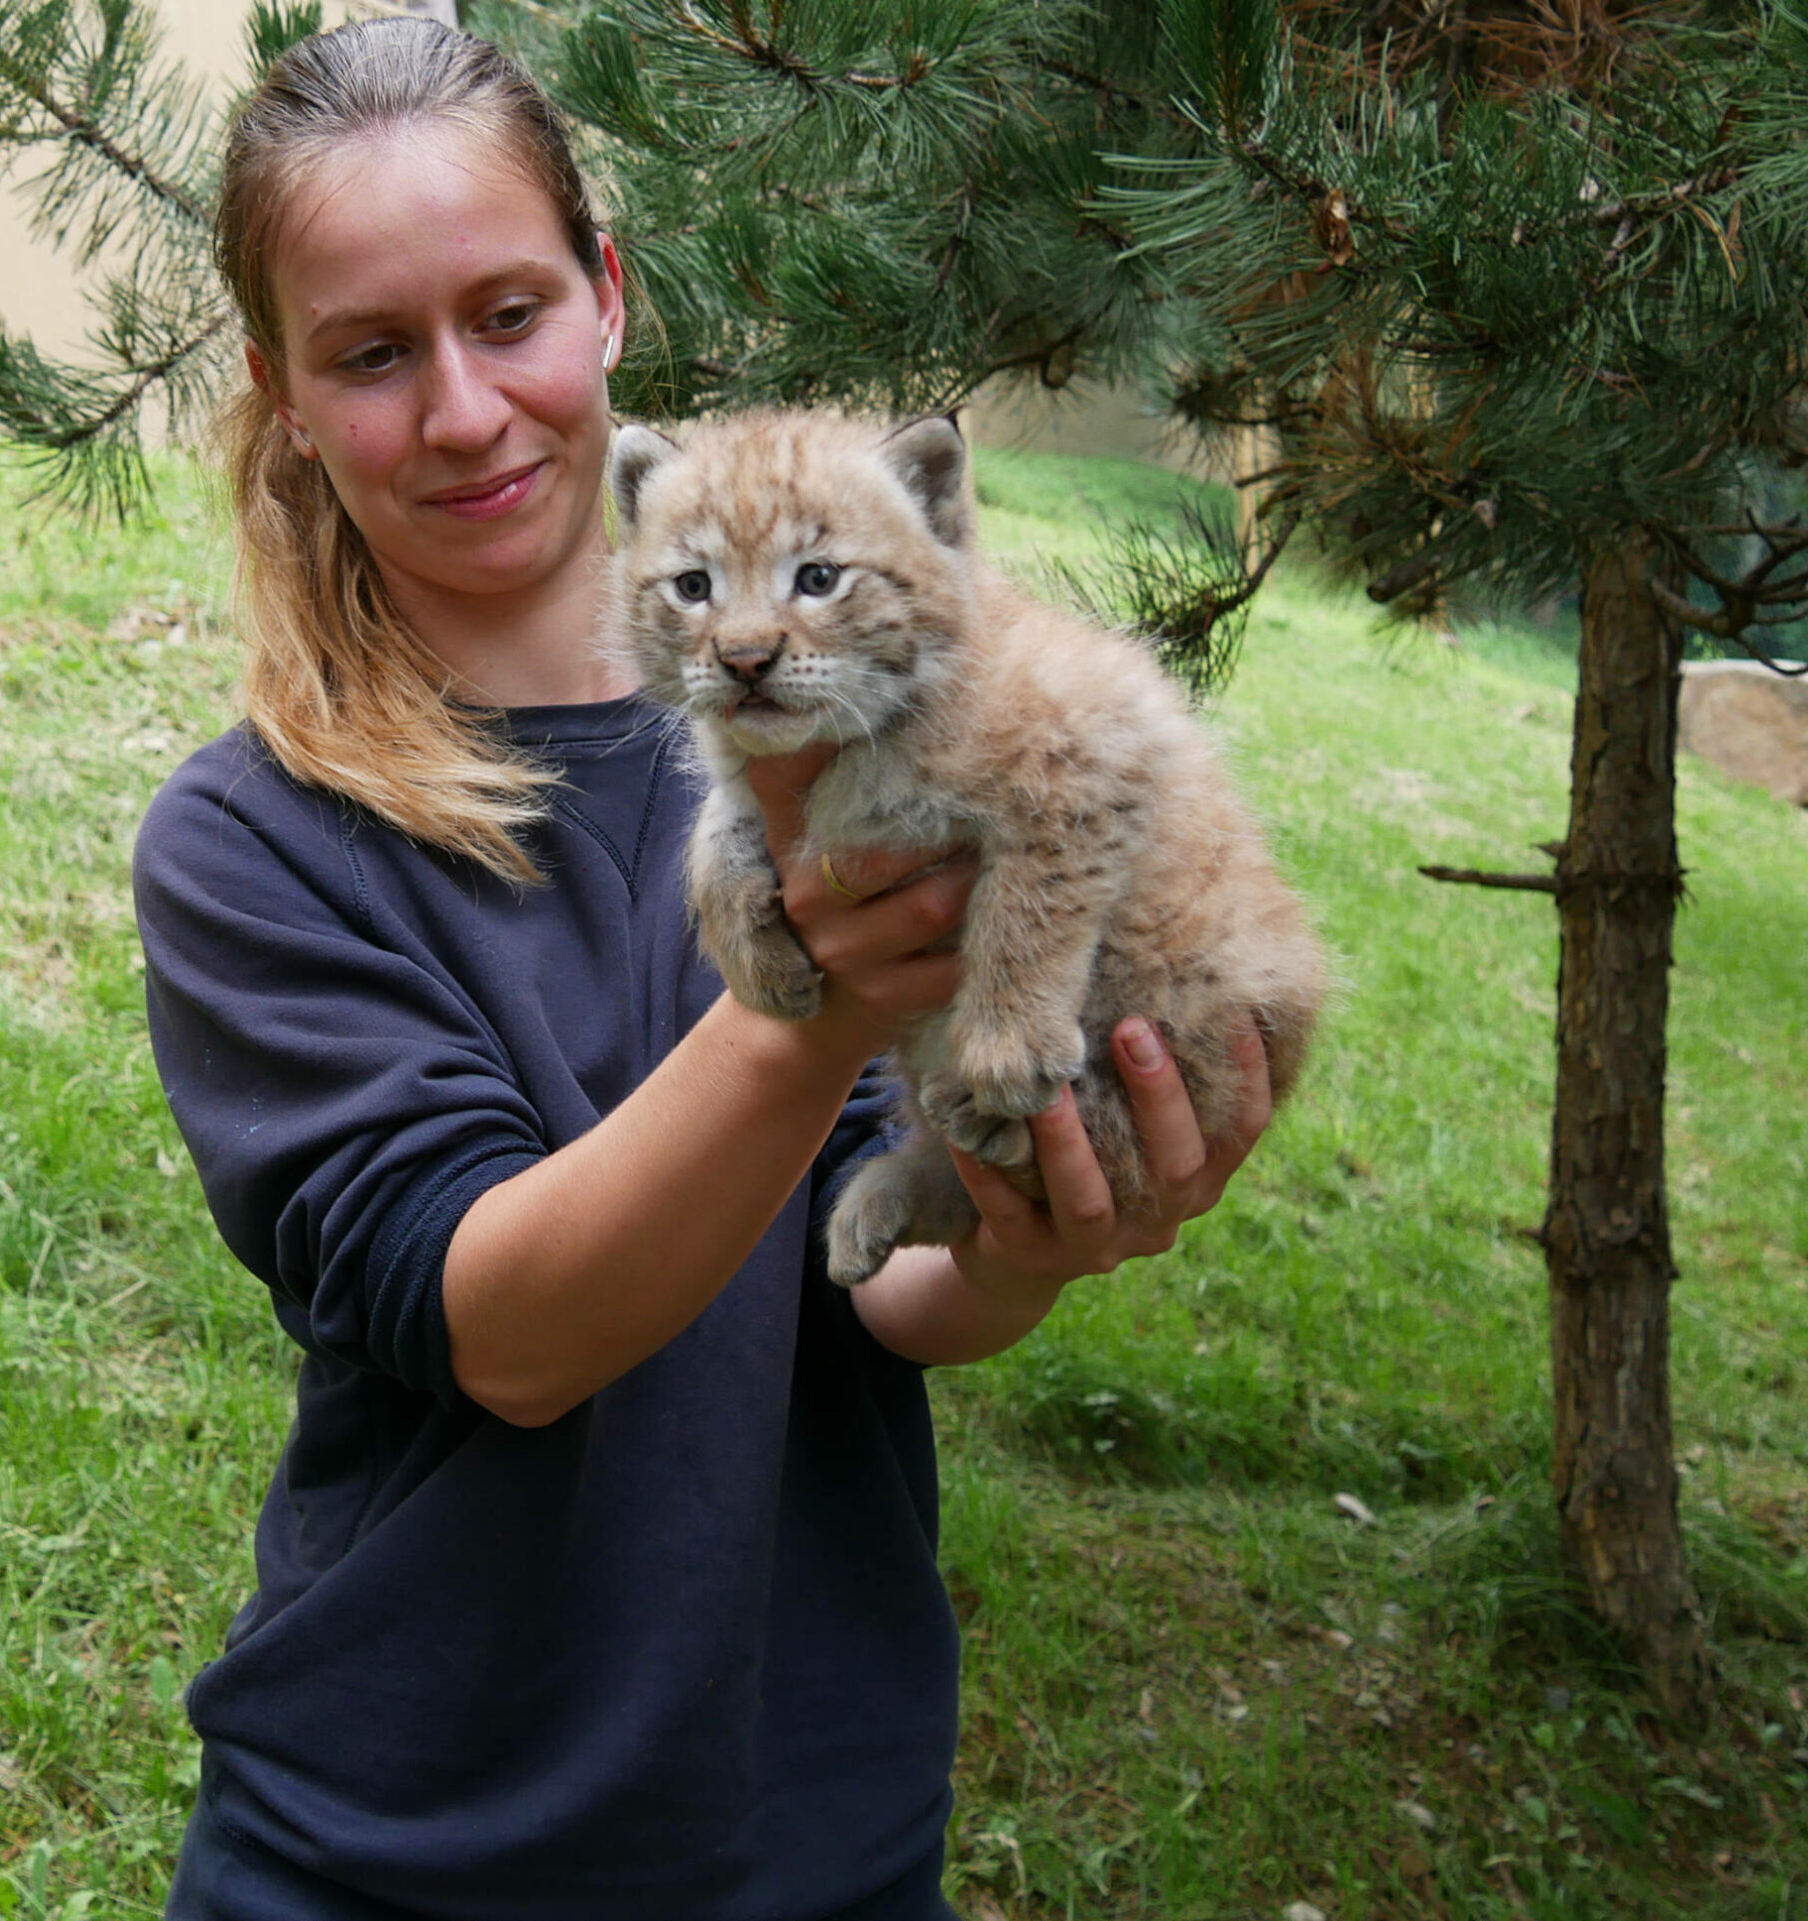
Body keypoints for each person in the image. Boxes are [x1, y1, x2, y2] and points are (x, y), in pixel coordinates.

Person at [131, 17, 1275, 1920]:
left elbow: (886, 1293)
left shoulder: (870, 739)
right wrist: (798, 997)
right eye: (371, 353)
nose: (468, 409)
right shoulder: (254, 843)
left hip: (810, 1827)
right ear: (287, 395)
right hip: (394, 1850)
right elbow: (503, 1331)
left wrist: (1028, 1232)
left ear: (608, 297)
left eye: (509, 313)